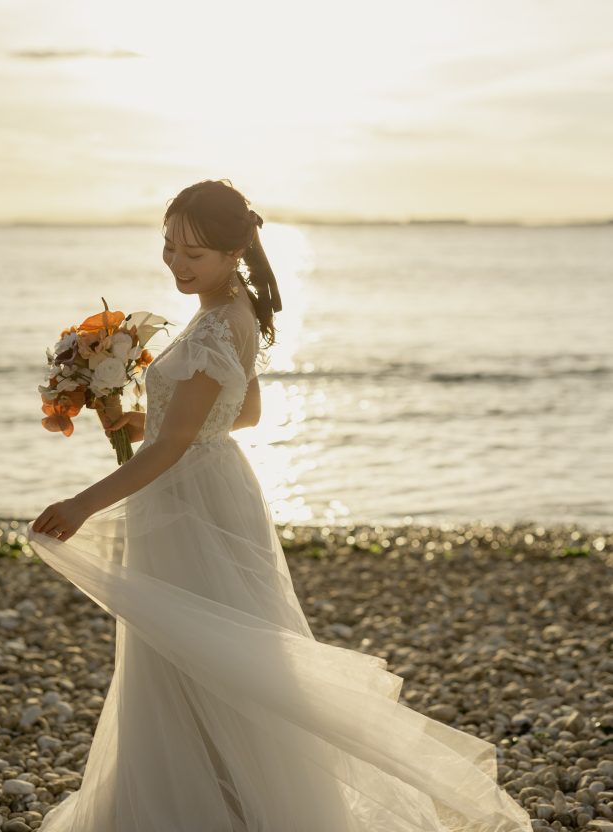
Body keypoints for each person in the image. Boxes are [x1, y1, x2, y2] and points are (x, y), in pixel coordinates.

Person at [28, 178, 532, 832]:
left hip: (190, 501)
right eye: (169, 247)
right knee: (205, 650)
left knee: (204, 653)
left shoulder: (216, 325)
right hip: (208, 488)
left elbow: (173, 448)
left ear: (233, 251)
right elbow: (244, 412)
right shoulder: (233, 309)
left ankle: (218, 809)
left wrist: (82, 503)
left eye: (194, 254)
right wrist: (137, 419)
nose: (177, 264)